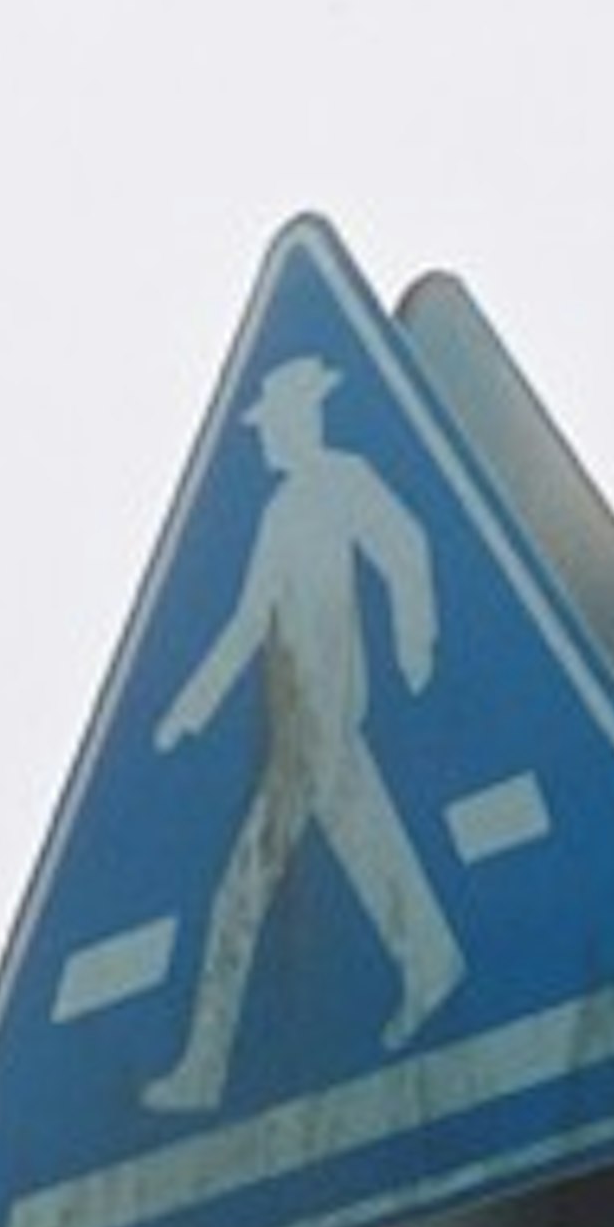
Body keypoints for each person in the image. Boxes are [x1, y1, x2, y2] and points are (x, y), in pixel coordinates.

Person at [141, 352, 466, 1114]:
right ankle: (433, 961)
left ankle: (206, 1069)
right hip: (301, 731)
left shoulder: (342, 481)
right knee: (367, 848)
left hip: (323, 722)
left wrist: (414, 640)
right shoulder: (282, 509)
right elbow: (251, 618)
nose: (262, 440)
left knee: (239, 898)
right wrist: (190, 706)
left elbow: (407, 546)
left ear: (298, 422)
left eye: (271, 427)